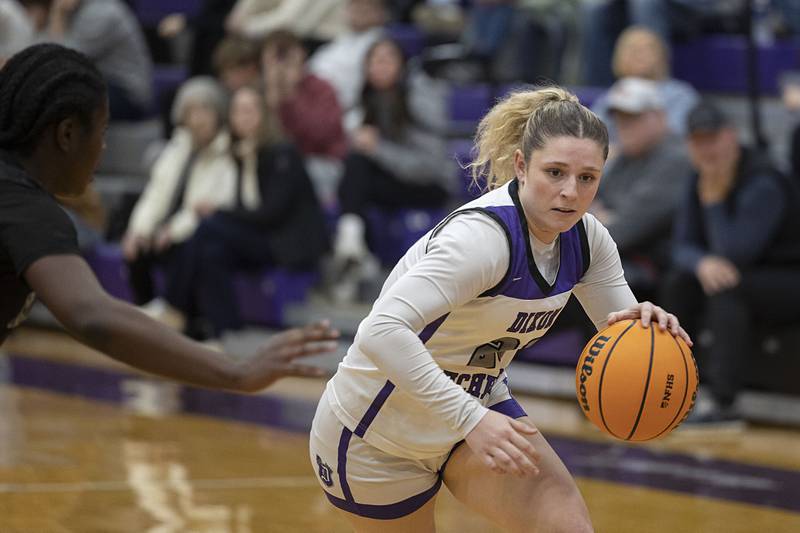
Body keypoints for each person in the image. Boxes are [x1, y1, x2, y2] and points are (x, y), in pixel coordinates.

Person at [309, 85, 692, 531]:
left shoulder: (589, 240)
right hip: (375, 434)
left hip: (475, 414)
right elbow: (379, 332)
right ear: (521, 166)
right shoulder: (481, 241)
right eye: (555, 172)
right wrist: (471, 417)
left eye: (587, 178)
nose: (570, 192)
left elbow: (621, 332)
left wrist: (647, 324)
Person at [0, 43, 338, 391]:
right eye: (101, 133)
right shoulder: (25, 208)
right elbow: (91, 315)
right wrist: (235, 371)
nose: (103, 149)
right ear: (67, 134)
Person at [661, 100, 800, 426]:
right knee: (678, 281)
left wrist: (714, 201)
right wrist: (701, 263)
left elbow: (736, 251)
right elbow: (681, 245)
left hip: (788, 278)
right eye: (698, 141)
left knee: (728, 289)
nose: (707, 148)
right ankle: (673, 390)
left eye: (713, 138)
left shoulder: (764, 180)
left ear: (732, 136)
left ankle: (724, 404)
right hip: (740, 273)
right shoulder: (698, 176)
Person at [163, 84, 330, 341]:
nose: (244, 117)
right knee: (211, 253)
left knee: (209, 226)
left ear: (265, 115)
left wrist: (221, 211)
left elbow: (271, 213)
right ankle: (226, 332)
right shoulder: (241, 154)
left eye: (250, 110)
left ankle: (174, 306)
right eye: (238, 111)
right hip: (261, 238)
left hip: (286, 243)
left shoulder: (282, 153)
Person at [330, 37, 454, 302]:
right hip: (393, 181)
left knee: (357, 170)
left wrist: (378, 148)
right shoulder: (370, 99)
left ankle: (353, 247)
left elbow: (428, 167)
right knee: (354, 171)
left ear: (403, 65)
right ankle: (355, 248)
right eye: (373, 60)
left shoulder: (420, 96)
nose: (379, 66)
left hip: (429, 185)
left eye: (387, 59)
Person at [122, 76, 236, 323]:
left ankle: (177, 315)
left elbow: (208, 205)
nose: (198, 119)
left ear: (218, 113)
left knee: (189, 247)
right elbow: (155, 194)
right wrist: (138, 230)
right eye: (191, 111)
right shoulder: (175, 148)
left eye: (204, 110)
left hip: (190, 233)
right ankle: (145, 313)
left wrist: (171, 231)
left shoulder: (227, 154)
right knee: (135, 246)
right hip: (164, 229)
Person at [590, 77, 693, 296]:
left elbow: (620, 232)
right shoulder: (625, 155)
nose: (623, 127)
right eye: (619, 119)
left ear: (660, 117)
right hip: (622, 259)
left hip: (656, 268)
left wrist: (602, 217)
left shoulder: (676, 158)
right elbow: (585, 205)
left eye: (633, 118)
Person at [33, 0, 154, 121]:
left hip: (126, 92)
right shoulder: (77, 9)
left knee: (62, 94)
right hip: (100, 81)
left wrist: (57, 14)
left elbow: (62, 60)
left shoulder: (102, 11)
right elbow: (40, 50)